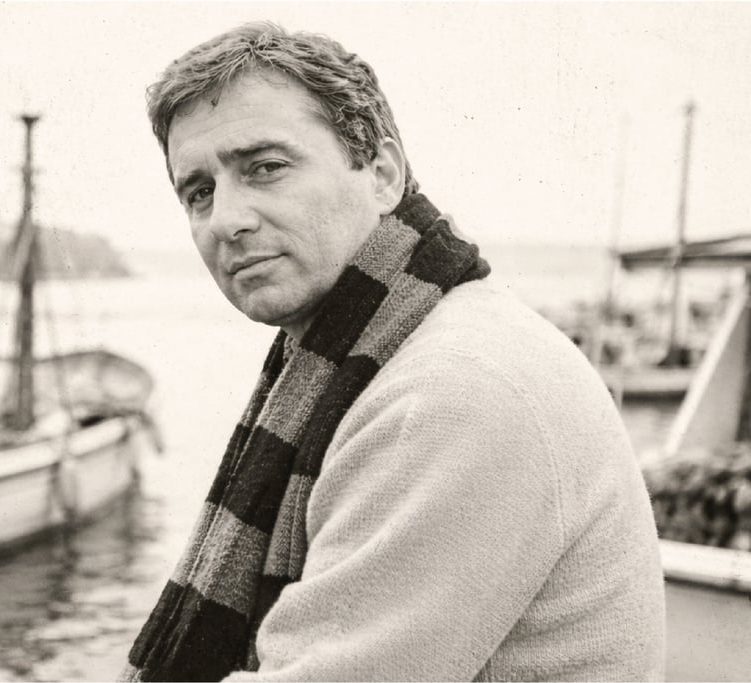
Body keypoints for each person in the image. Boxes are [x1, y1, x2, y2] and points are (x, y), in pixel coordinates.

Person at [123, 22, 666, 682]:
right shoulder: (372, 352)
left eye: (265, 168)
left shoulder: (454, 387)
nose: (226, 220)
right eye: (199, 192)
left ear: (382, 174)